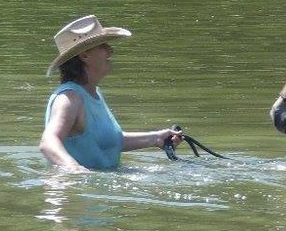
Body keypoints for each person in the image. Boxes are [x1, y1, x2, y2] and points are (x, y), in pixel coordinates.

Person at [39, 14, 183, 172]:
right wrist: (76, 170)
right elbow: (49, 142)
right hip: (77, 189)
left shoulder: (94, 93)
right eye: (103, 45)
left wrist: (156, 138)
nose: (110, 50)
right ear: (84, 55)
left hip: (99, 186)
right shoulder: (69, 98)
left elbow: (107, 142)